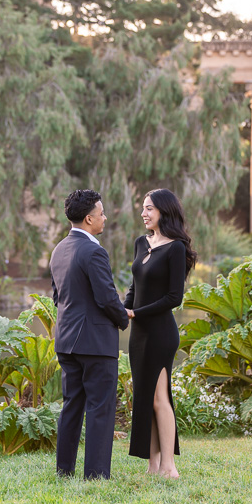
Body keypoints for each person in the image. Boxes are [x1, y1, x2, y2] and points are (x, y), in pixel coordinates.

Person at [50, 189, 130, 480]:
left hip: (67, 340)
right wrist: (124, 318)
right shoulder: (94, 251)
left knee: (72, 406)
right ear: (88, 218)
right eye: (101, 213)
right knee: (100, 408)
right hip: (95, 344)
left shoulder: (59, 249)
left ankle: (65, 471)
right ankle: (96, 476)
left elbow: (57, 296)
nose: (104, 218)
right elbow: (107, 298)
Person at [124, 188, 196, 479]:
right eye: (143, 207)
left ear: (165, 211)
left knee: (159, 398)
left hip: (160, 333)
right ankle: (152, 465)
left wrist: (136, 313)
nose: (144, 213)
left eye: (150, 208)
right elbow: (134, 288)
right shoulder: (141, 243)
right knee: (144, 398)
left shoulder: (176, 248)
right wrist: (121, 311)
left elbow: (173, 298)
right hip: (139, 334)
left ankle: (169, 466)